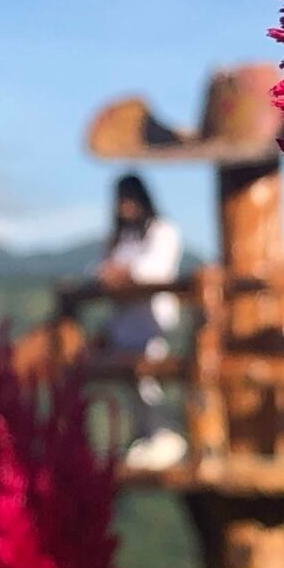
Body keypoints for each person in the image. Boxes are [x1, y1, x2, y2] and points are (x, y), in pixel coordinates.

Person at [59, 173, 186, 470]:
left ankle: (165, 436)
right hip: (126, 324)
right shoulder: (122, 238)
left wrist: (123, 272)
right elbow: (100, 271)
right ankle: (149, 435)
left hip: (152, 321)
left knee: (149, 378)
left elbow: (155, 270)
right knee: (132, 382)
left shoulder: (163, 231)